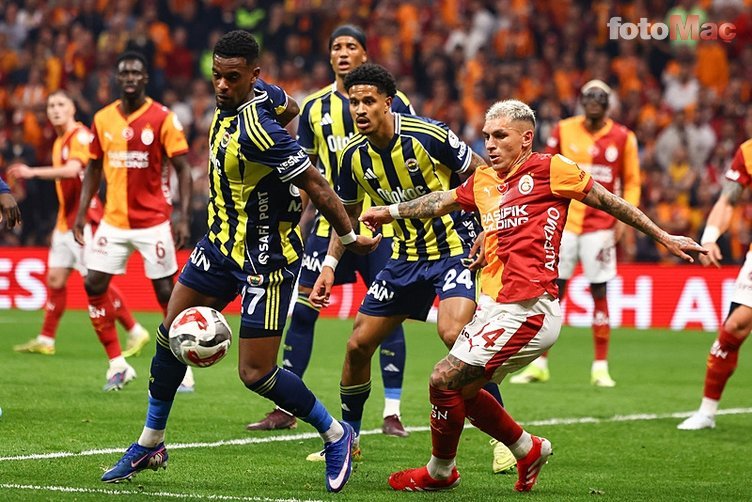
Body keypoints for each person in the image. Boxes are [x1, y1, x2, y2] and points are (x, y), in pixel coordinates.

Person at [358, 99, 704, 492]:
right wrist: (389, 212)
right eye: (487, 136)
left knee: (443, 379)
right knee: (464, 392)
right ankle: (527, 449)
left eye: (500, 136)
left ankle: (440, 472)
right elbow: (442, 201)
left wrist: (662, 235)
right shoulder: (485, 180)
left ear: (526, 138)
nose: (490, 145)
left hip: (529, 309)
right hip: (492, 307)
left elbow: (609, 200)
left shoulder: (551, 169)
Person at [100, 30, 380, 493]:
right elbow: (290, 105)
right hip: (219, 246)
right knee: (169, 335)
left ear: (253, 74)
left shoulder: (260, 130)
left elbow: (316, 184)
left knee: (255, 373)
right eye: (217, 76)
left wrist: (348, 237)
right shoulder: (257, 96)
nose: (222, 86)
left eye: (233, 78)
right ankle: (151, 442)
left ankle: (336, 434)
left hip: (266, 259)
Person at [309, 63, 515, 473]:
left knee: (455, 335)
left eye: (369, 101)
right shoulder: (351, 156)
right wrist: (331, 264)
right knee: (357, 345)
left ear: (388, 102)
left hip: (453, 250)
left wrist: (488, 229)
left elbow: (483, 173)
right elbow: (344, 214)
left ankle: (503, 438)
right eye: (354, 102)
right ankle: (349, 440)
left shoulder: (429, 135)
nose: (360, 109)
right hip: (403, 258)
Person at [246, 24, 413, 439]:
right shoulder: (314, 107)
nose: (342, 52)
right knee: (303, 312)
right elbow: (305, 174)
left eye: (351, 46)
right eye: (336, 46)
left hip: (377, 226)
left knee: (387, 318)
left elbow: (407, 161)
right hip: (327, 227)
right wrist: (293, 224)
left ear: (364, 55)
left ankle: (392, 412)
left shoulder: (397, 103)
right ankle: (284, 407)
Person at [73, 51, 195, 392]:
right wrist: (82, 213)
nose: (129, 78)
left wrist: (184, 216)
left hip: (154, 221)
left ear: (145, 78)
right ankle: (117, 364)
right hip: (113, 221)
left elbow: (183, 169)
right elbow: (93, 167)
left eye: (135, 73)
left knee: (167, 293)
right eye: (124, 72)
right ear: (117, 78)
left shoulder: (163, 118)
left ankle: (182, 367)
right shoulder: (102, 119)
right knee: (93, 284)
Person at [510, 80, 640, 387]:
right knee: (552, 291)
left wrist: (624, 220)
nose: (593, 102)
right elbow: (545, 171)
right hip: (563, 225)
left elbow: (632, 181)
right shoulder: (563, 129)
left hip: (601, 226)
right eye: (588, 97)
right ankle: (539, 364)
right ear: (581, 101)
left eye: (599, 97)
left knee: (599, 292)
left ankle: (600, 367)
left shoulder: (624, 137)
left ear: (608, 103)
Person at [10, 90, 149, 357]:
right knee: (55, 278)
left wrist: (32, 172)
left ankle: (135, 330)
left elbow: (73, 170)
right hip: (66, 221)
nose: (55, 109)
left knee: (95, 282)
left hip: (84, 221)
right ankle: (46, 339)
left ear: (72, 109)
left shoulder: (81, 136)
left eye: (61, 104)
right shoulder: (59, 141)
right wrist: (59, 222)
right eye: (51, 105)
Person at [678, 137, 752, 430]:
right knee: (734, 327)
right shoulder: (748, 151)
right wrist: (710, 237)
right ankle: (707, 412)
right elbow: (728, 200)